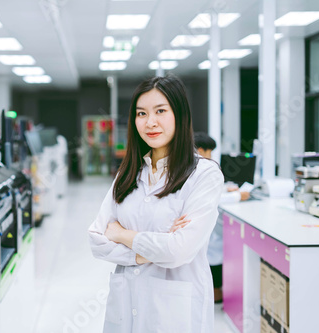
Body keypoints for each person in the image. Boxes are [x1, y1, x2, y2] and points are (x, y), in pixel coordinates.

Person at [88, 75, 224, 333]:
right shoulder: (128, 173)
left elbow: (179, 251)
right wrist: (149, 250)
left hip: (176, 313)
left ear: (180, 114)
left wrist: (122, 234)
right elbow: (96, 240)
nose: (150, 122)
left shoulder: (203, 175)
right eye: (141, 113)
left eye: (160, 111)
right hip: (126, 305)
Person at [194, 132, 250, 303]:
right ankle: (215, 293)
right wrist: (238, 196)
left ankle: (215, 290)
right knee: (214, 251)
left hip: (199, 227)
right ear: (202, 150)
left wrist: (227, 190)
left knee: (213, 251)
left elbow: (208, 191)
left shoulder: (193, 164)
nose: (210, 156)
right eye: (209, 151)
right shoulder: (199, 166)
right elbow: (208, 198)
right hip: (201, 227)